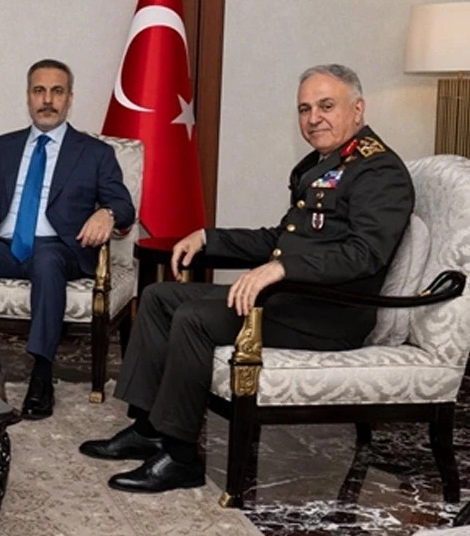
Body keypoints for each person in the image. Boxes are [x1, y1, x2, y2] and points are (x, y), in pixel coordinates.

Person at [80, 63, 415, 493]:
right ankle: (148, 430)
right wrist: (208, 238)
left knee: (196, 318)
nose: (314, 118)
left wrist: (282, 268)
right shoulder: (326, 164)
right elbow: (281, 239)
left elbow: (364, 254)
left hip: (330, 314)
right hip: (293, 299)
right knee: (161, 297)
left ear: (358, 109)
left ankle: (180, 457)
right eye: (305, 109)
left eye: (326, 106)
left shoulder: (379, 171)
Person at [0, 59, 135, 420]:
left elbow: (124, 205)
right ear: (28, 97)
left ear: (69, 98)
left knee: (46, 259)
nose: (47, 100)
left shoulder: (94, 153)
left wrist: (108, 213)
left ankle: (41, 372)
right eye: (39, 91)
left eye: (57, 91)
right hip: (4, 248)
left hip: (61, 250)